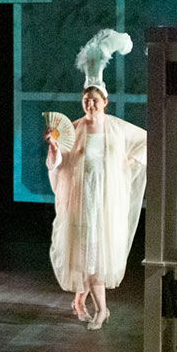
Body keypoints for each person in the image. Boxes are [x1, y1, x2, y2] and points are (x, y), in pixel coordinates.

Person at [47, 29, 148, 330]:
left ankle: (100, 308)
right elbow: (59, 164)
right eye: (86, 100)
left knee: (98, 255)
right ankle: (83, 302)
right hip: (81, 200)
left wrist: (129, 162)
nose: (90, 104)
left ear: (104, 101)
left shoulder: (116, 128)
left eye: (95, 99)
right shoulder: (73, 129)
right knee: (84, 254)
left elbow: (146, 143)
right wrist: (54, 150)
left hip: (104, 201)